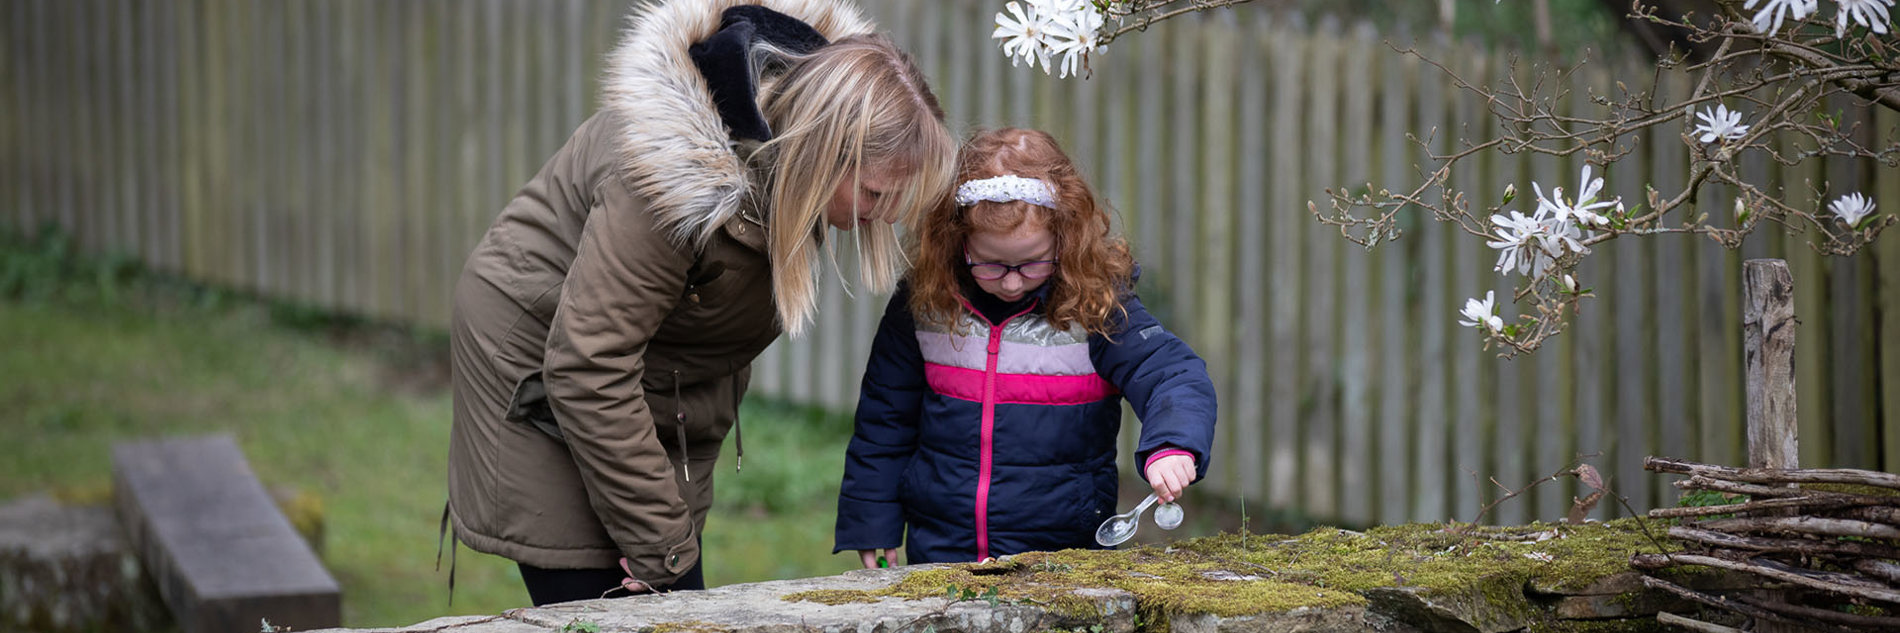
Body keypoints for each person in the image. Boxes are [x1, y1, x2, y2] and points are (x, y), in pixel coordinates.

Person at [445, 0, 955, 606]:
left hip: (647, 375)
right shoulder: (671, 182)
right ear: (824, 152)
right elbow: (588, 366)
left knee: (666, 584)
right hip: (539, 366)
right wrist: (667, 552)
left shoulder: (781, 152)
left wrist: (667, 550)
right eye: (875, 192)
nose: (886, 214)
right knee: (610, 597)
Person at [834, 127, 1217, 566]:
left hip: (1064, 557)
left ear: (1065, 238)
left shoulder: (1095, 307)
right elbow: (885, 419)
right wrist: (871, 519)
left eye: (1032, 262)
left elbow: (1171, 373)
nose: (1013, 281)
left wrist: (1172, 445)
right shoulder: (926, 303)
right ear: (958, 243)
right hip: (941, 550)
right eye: (992, 265)